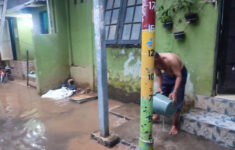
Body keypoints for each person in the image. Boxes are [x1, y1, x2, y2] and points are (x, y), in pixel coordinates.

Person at [152, 52, 187, 135]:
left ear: (158, 59)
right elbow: (158, 74)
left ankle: (174, 125)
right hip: (167, 75)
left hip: (179, 74)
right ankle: (157, 116)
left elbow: (179, 76)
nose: (155, 65)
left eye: (156, 63)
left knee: (176, 99)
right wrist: (159, 87)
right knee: (161, 94)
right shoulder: (151, 61)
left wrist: (174, 92)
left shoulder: (171, 60)